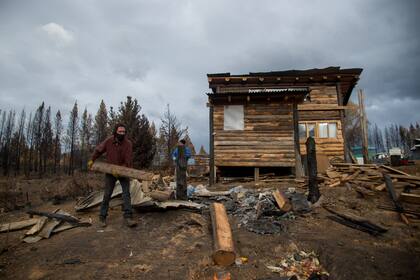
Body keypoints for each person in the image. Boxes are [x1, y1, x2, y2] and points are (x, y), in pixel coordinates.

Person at [88, 123, 137, 228]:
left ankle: (128, 217)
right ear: (115, 132)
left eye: (123, 132)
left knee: (126, 194)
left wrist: (120, 170)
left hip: (123, 171)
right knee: (107, 194)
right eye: (120, 131)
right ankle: (102, 217)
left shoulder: (128, 144)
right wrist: (92, 159)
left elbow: (128, 161)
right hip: (110, 172)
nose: (122, 133)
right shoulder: (109, 141)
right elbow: (99, 150)